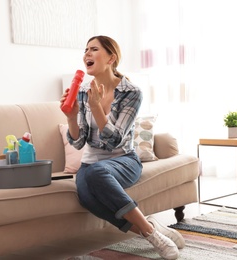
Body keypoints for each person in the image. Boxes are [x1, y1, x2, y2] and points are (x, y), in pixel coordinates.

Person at [60, 35, 184, 259]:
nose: (86, 54)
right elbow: (79, 142)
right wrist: (70, 117)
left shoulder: (131, 93)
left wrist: (96, 107)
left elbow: (114, 140)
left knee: (97, 172)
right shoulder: (82, 91)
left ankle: (151, 235)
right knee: (87, 197)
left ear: (111, 58)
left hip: (124, 160)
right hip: (89, 165)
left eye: (94, 49)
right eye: (85, 49)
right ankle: (152, 229)